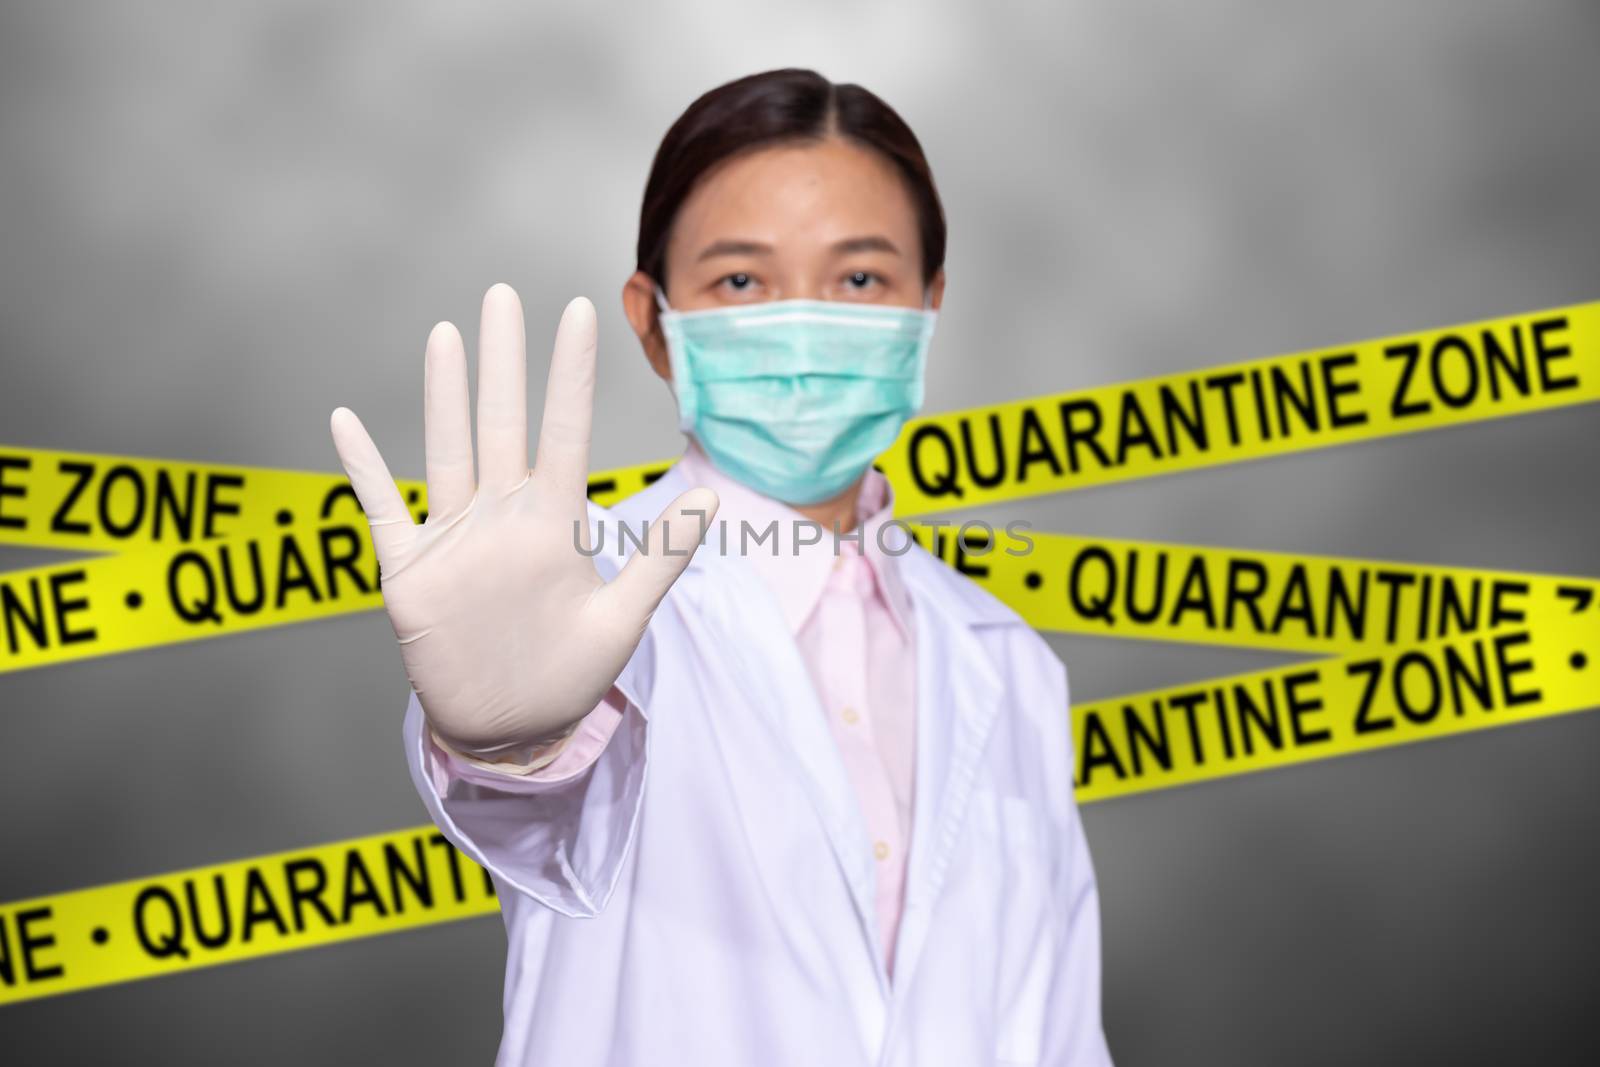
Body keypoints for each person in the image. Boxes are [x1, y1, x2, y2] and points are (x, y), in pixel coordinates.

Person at [330, 67, 1113, 1066]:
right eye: (741, 280)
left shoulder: (1008, 665)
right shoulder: (586, 594)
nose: (800, 324)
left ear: (929, 304)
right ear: (654, 322)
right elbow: (532, 822)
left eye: (860, 278)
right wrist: (511, 745)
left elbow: (1054, 1029)